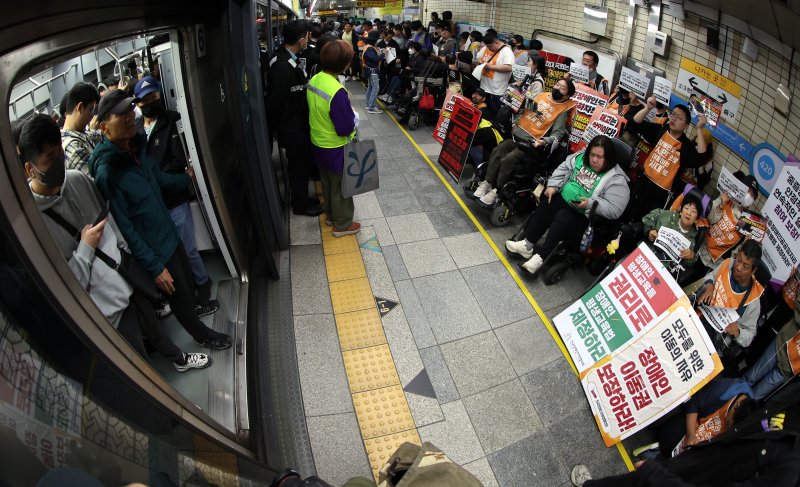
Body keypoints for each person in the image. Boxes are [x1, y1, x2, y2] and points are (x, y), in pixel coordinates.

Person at [21, 114, 209, 372]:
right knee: (137, 363)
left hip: (127, 278)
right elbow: (65, 285)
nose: (58, 166)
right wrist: (85, 249)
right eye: (50, 160)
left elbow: (111, 220)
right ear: (30, 169)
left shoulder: (76, 180)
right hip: (105, 309)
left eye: (59, 157)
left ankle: (179, 360)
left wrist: (128, 255)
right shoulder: (35, 224)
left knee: (157, 332)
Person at [88, 90, 233, 351]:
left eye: (130, 109)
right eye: (120, 114)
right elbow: (126, 229)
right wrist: (154, 267)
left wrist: (186, 178)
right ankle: (202, 335)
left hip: (168, 231)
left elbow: (159, 180)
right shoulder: (107, 172)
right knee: (177, 295)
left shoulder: (136, 150)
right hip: (155, 248)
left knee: (187, 283)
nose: (130, 116)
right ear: (103, 127)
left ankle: (197, 307)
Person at [133, 76, 219, 315]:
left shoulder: (172, 121)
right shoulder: (137, 132)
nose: (150, 102)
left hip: (174, 198)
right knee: (172, 253)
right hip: (156, 204)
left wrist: (162, 181)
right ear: (138, 104)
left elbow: (178, 162)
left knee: (188, 248)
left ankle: (202, 282)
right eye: (145, 100)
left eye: (153, 97)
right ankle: (187, 290)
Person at [504, 135, 630, 275]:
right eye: (592, 155)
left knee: (563, 218)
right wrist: (553, 185)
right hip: (562, 198)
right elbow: (562, 169)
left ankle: (540, 257)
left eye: (600, 157)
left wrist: (590, 203)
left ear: (609, 158)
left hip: (582, 213)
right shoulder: (581, 157)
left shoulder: (616, 179)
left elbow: (615, 208)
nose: (594, 160)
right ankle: (527, 244)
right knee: (548, 203)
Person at [473, 78, 576, 206]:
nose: (557, 88)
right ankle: (487, 183)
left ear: (567, 94)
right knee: (498, 150)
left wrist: (543, 141)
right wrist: (514, 122)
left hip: (531, 145)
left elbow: (558, 134)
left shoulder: (562, 110)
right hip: (517, 135)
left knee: (509, 159)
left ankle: (497, 191)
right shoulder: (542, 96)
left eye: (562, 88)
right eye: (557, 84)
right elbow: (523, 111)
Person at [266, 20, 324, 217]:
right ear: (301, 40)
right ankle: (300, 204)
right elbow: (278, 102)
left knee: (300, 165)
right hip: (293, 128)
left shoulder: (289, 58)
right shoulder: (282, 66)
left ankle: (302, 198)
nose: (308, 40)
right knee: (298, 167)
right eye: (307, 37)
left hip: (296, 125)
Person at [307, 40, 360, 238]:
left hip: (318, 141)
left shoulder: (316, 79)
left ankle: (330, 215)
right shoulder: (337, 91)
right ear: (344, 64)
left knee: (328, 183)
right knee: (341, 187)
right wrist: (354, 118)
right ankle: (343, 225)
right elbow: (345, 127)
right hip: (336, 146)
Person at [625, 96, 709, 220]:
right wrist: (648, 108)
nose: (673, 118)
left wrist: (700, 129)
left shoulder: (685, 146)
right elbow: (633, 125)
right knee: (628, 214)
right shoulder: (660, 131)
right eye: (673, 114)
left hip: (660, 195)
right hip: (642, 182)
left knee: (646, 225)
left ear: (686, 126)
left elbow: (700, 158)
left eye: (679, 117)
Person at [695, 240, 765, 358]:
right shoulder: (728, 264)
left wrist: (738, 332)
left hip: (714, 338)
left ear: (753, 270)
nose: (738, 267)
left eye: (745, 266)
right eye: (738, 259)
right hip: (700, 314)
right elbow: (711, 275)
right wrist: (710, 285)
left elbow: (750, 335)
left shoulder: (753, 302)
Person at [745, 290, 800, 400]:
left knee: (754, 398)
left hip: (792, 367)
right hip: (782, 344)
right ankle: (723, 405)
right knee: (749, 378)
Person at [641, 193, 701, 269]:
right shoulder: (666, 215)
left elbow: (687, 264)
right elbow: (647, 219)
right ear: (680, 211)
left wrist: (691, 256)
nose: (688, 213)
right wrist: (650, 230)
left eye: (693, 211)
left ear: (696, 220)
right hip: (645, 253)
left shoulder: (691, 241)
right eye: (686, 208)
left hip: (662, 269)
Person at [60, 82, 103, 174]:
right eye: (90, 109)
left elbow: (102, 134)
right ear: (80, 107)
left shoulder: (81, 134)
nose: (92, 115)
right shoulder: (74, 149)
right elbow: (97, 180)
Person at [474, 33, 515, 119]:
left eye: (490, 47)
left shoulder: (506, 52)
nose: (489, 49)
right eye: (487, 47)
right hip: (483, 88)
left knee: (494, 115)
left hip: (496, 91)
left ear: (496, 42)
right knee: (483, 113)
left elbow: (509, 67)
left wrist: (490, 67)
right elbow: (478, 57)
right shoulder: (486, 47)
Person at [361, 30, 383, 114]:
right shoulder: (369, 48)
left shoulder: (368, 47)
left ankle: (369, 104)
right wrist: (383, 53)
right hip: (373, 71)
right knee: (375, 88)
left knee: (370, 87)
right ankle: (372, 107)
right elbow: (375, 59)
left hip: (369, 70)